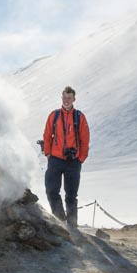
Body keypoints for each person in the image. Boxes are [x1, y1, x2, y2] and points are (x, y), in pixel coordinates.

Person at [41, 86, 90, 229]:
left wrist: (81, 158)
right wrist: (48, 154)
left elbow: (85, 139)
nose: (66, 100)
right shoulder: (54, 115)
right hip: (55, 160)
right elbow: (47, 135)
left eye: (69, 98)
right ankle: (60, 222)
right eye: (64, 98)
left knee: (71, 196)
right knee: (51, 190)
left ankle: (73, 227)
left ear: (74, 99)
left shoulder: (79, 117)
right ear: (61, 98)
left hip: (73, 162)